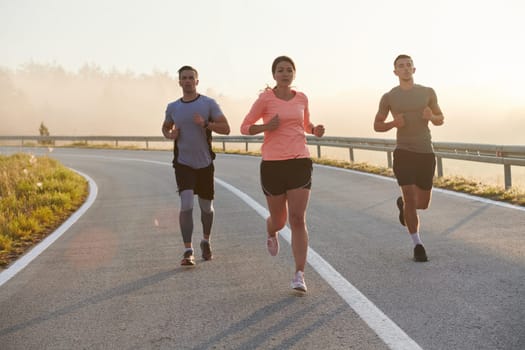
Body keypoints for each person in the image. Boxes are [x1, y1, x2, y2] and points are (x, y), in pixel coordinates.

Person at [240, 56, 325, 292]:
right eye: (280, 70)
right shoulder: (265, 99)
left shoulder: (302, 98)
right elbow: (245, 127)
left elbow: (305, 124)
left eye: (289, 70)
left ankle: (299, 274)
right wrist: (266, 127)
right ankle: (271, 231)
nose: (285, 73)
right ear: (274, 75)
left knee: (297, 218)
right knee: (279, 220)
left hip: (299, 161)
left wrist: (314, 130)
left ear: (294, 74)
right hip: (273, 165)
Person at [374, 54, 444, 262]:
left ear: (414, 70)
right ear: (395, 72)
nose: (405, 69)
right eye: (400, 66)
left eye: (408, 65)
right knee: (411, 199)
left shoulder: (427, 93)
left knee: (422, 203)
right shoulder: (389, 97)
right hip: (404, 152)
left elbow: (441, 119)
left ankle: (403, 206)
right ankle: (418, 245)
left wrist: (431, 117)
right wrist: (393, 124)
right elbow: (377, 125)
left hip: (425, 152)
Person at [162, 65, 230, 266]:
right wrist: (169, 134)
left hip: (205, 163)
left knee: (206, 208)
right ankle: (187, 250)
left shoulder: (208, 104)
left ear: (197, 81)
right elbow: (165, 127)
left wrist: (206, 124)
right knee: (186, 205)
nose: (188, 81)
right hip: (183, 163)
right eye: (184, 78)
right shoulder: (173, 107)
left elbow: (226, 128)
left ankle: (206, 241)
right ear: (179, 82)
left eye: (191, 77)